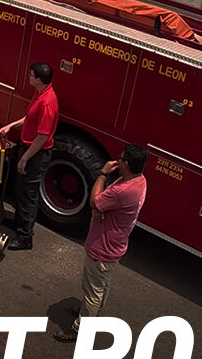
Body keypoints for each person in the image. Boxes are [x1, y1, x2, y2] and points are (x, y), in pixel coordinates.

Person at [54, 144, 148, 342]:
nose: (116, 161)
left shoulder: (123, 192)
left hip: (102, 249)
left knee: (93, 291)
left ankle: (81, 328)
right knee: (101, 286)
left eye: (120, 159)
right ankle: (90, 313)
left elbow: (95, 202)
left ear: (126, 164)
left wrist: (102, 174)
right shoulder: (140, 182)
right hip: (116, 246)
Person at [0, 62, 59, 251]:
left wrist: (25, 158)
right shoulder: (40, 93)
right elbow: (30, 117)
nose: (28, 76)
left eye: (31, 75)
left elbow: (42, 137)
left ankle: (25, 237)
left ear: (39, 79)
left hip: (36, 154)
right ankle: (18, 222)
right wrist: (11, 126)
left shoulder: (48, 102)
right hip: (29, 149)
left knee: (28, 195)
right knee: (20, 188)